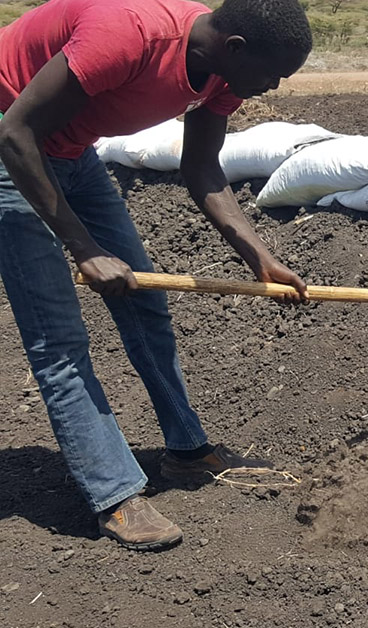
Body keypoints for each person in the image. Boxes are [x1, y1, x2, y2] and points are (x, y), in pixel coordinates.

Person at [0, 0, 312, 551]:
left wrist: (255, 253)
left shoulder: (222, 70)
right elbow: (16, 131)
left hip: (71, 153)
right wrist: (83, 247)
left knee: (144, 302)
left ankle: (187, 450)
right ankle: (114, 494)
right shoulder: (128, 37)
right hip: (11, 146)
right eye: (273, 75)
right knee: (59, 340)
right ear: (235, 48)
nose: (274, 88)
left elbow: (201, 167)